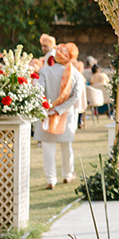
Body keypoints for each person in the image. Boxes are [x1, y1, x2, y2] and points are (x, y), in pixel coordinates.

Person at [38, 42, 85, 188]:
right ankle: (67, 175)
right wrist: (60, 109)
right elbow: (76, 96)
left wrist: (48, 109)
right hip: (66, 114)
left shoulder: (45, 72)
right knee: (66, 147)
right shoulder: (76, 74)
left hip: (48, 114)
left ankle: (51, 180)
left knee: (47, 148)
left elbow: (39, 92)